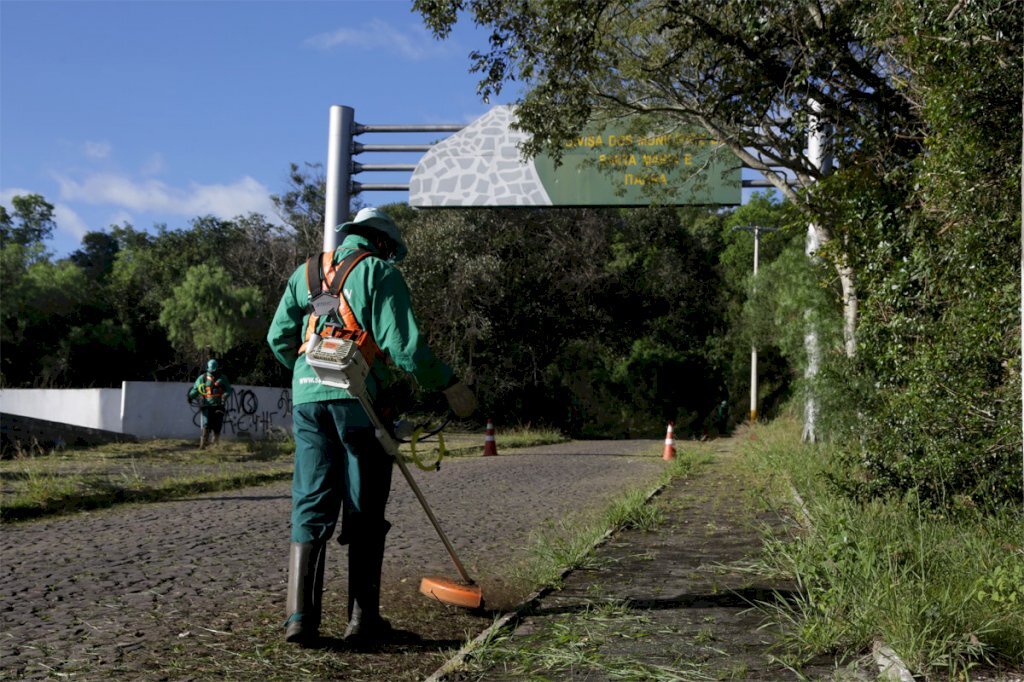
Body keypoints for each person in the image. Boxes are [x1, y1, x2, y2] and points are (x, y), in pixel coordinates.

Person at [266, 206, 477, 646]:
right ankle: (362, 623)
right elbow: (405, 348)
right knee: (363, 506)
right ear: (381, 242)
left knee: (311, 500)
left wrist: (309, 371)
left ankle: (299, 620)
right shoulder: (379, 273)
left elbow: (278, 339)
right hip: (358, 400)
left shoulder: (304, 274)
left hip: (307, 400)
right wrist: (449, 384)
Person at [187, 358, 234, 449]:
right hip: (207, 406)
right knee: (206, 424)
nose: (213, 372)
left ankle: (215, 444)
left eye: (214, 371)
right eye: (211, 371)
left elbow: (229, 390)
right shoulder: (203, 378)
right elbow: (196, 390)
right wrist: (190, 397)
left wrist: (225, 396)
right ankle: (203, 444)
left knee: (217, 425)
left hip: (219, 406)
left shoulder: (223, 378)